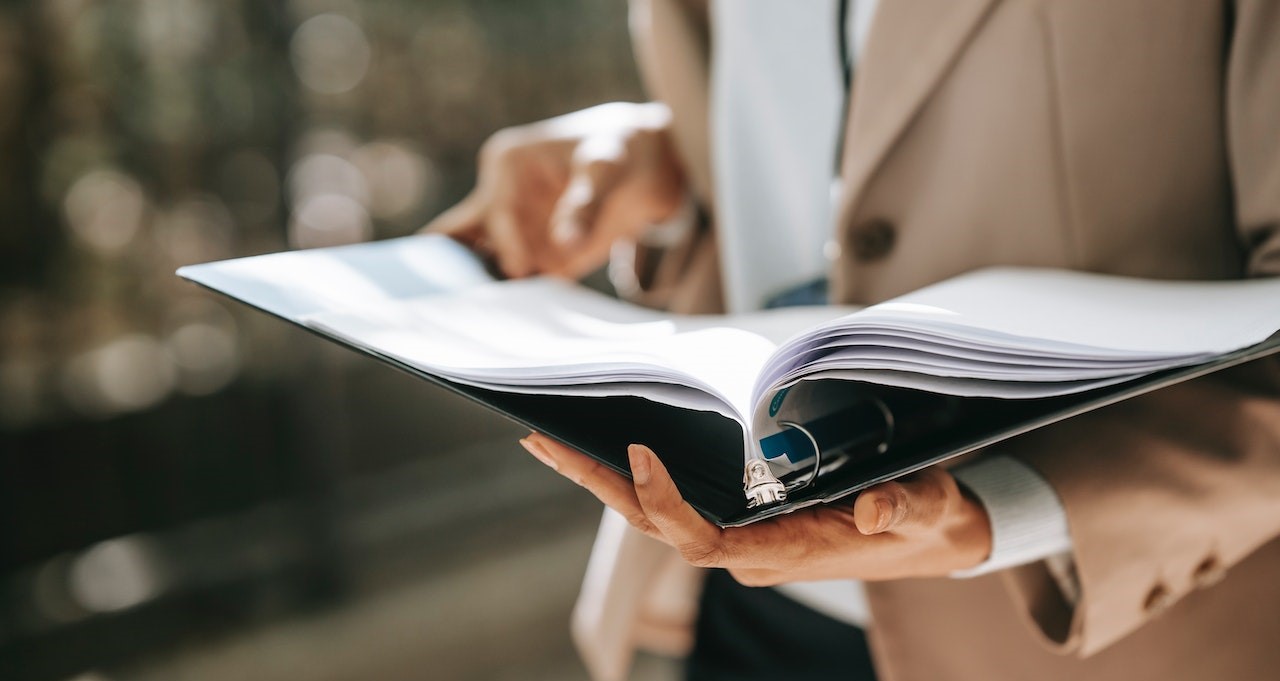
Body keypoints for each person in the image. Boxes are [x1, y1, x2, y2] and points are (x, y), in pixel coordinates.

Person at [426, 1, 1280, 679]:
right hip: (755, 602)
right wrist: (667, 165)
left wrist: (1007, 512)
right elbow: (823, 138)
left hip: (1083, 622)